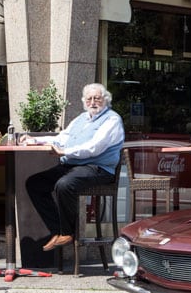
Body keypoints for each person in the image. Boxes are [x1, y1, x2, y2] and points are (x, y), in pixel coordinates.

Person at [24, 82, 125, 250]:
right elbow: (61, 138)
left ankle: (67, 233)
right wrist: (35, 140)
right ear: (84, 101)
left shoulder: (112, 119)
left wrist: (64, 152)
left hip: (98, 168)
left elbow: (94, 147)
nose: (93, 102)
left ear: (106, 100)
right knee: (35, 183)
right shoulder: (81, 119)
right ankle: (57, 230)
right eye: (89, 99)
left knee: (65, 184)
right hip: (73, 166)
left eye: (97, 98)